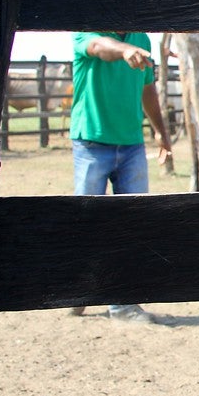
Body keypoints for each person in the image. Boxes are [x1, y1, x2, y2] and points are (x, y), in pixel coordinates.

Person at [69, 32, 173, 324]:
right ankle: (80, 289)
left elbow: (147, 89)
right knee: (87, 221)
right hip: (92, 140)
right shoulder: (87, 31)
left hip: (131, 144)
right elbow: (100, 48)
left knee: (133, 223)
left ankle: (122, 302)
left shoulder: (144, 40)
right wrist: (126, 49)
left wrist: (161, 132)